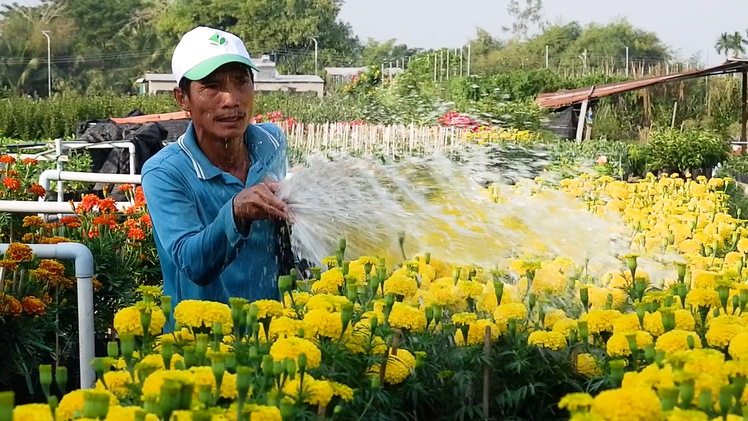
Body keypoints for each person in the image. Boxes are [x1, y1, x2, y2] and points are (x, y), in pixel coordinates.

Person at [141, 26, 293, 315]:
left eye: (241, 82)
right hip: (203, 345)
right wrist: (236, 212)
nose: (232, 99)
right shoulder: (165, 172)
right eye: (211, 86)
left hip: (275, 335)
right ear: (182, 98)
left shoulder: (271, 142)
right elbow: (193, 263)